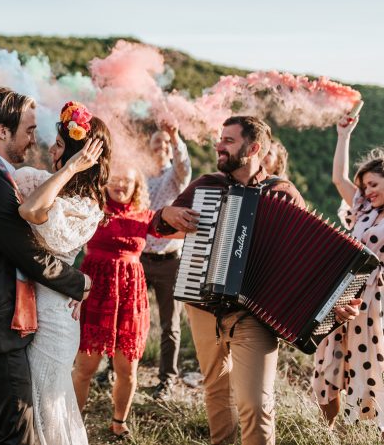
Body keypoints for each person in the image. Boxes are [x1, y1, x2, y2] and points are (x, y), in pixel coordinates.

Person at [151, 115, 362, 445]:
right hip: (203, 306)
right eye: (220, 139)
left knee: (257, 405)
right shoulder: (206, 186)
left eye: (229, 141)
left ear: (253, 148)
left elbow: (307, 261)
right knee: (216, 392)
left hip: (255, 315)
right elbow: (159, 227)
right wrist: (166, 214)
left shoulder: (282, 193)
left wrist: (335, 303)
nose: (219, 146)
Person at [0, 87, 92, 445]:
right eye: (28, 130)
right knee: (20, 432)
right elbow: (30, 256)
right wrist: (82, 284)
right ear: (3, 131)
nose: (33, 139)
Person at [13, 101, 111, 444]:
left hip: (55, 313)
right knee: (31, 400)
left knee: (48, 402)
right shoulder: (48, 182)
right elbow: (7, 180)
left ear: (76, 155)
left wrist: (69, 168)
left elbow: (30, 210)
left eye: (59, 145)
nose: (51, 150)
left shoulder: (86, 207)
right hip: (29, 304)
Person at [72, 164, 178, 438]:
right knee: (85, 367)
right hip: (95, 293)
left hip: (130, 296)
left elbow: (181, 231)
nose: (121, 185)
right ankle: (71, 423)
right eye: (116, 179)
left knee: (127, 369)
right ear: (106, 182)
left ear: (136, 187)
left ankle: (119, 422)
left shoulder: (146, 216)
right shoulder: (93, 210)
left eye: (127, 182)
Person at [312, 114, 384, 432]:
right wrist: (344, 135)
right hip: (344, 296)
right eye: (365, 186)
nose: (367, 191)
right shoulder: (363, 209)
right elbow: (339, 179)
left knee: (370, 371)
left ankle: (367, 432)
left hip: (376, 304)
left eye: (374, 184)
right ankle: (329, 433)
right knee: (327, 367)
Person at [141, 121, 191, 399]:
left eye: (166, 143)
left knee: (169, 325)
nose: (161, 146)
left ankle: (167, 380)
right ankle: (114, 368)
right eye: (156, 142)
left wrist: (174, 135)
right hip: (139, 258)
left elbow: (184, 167)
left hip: (170, 259)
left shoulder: (175, 177)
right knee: (127, 315)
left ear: (172, 150)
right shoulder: (139, 178)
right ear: (149, 149)